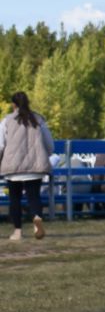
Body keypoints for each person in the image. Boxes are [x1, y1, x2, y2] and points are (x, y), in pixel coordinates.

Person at [1, 91, 55, 243]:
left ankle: (17, 232)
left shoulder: (6, 121)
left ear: (14, 105)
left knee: (15, 199)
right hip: (34, 167)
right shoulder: (38, 119)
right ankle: (37, 218)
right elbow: (49, 144)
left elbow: (0, 145)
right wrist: (46, 154)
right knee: (34, 196)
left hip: (13, 167)